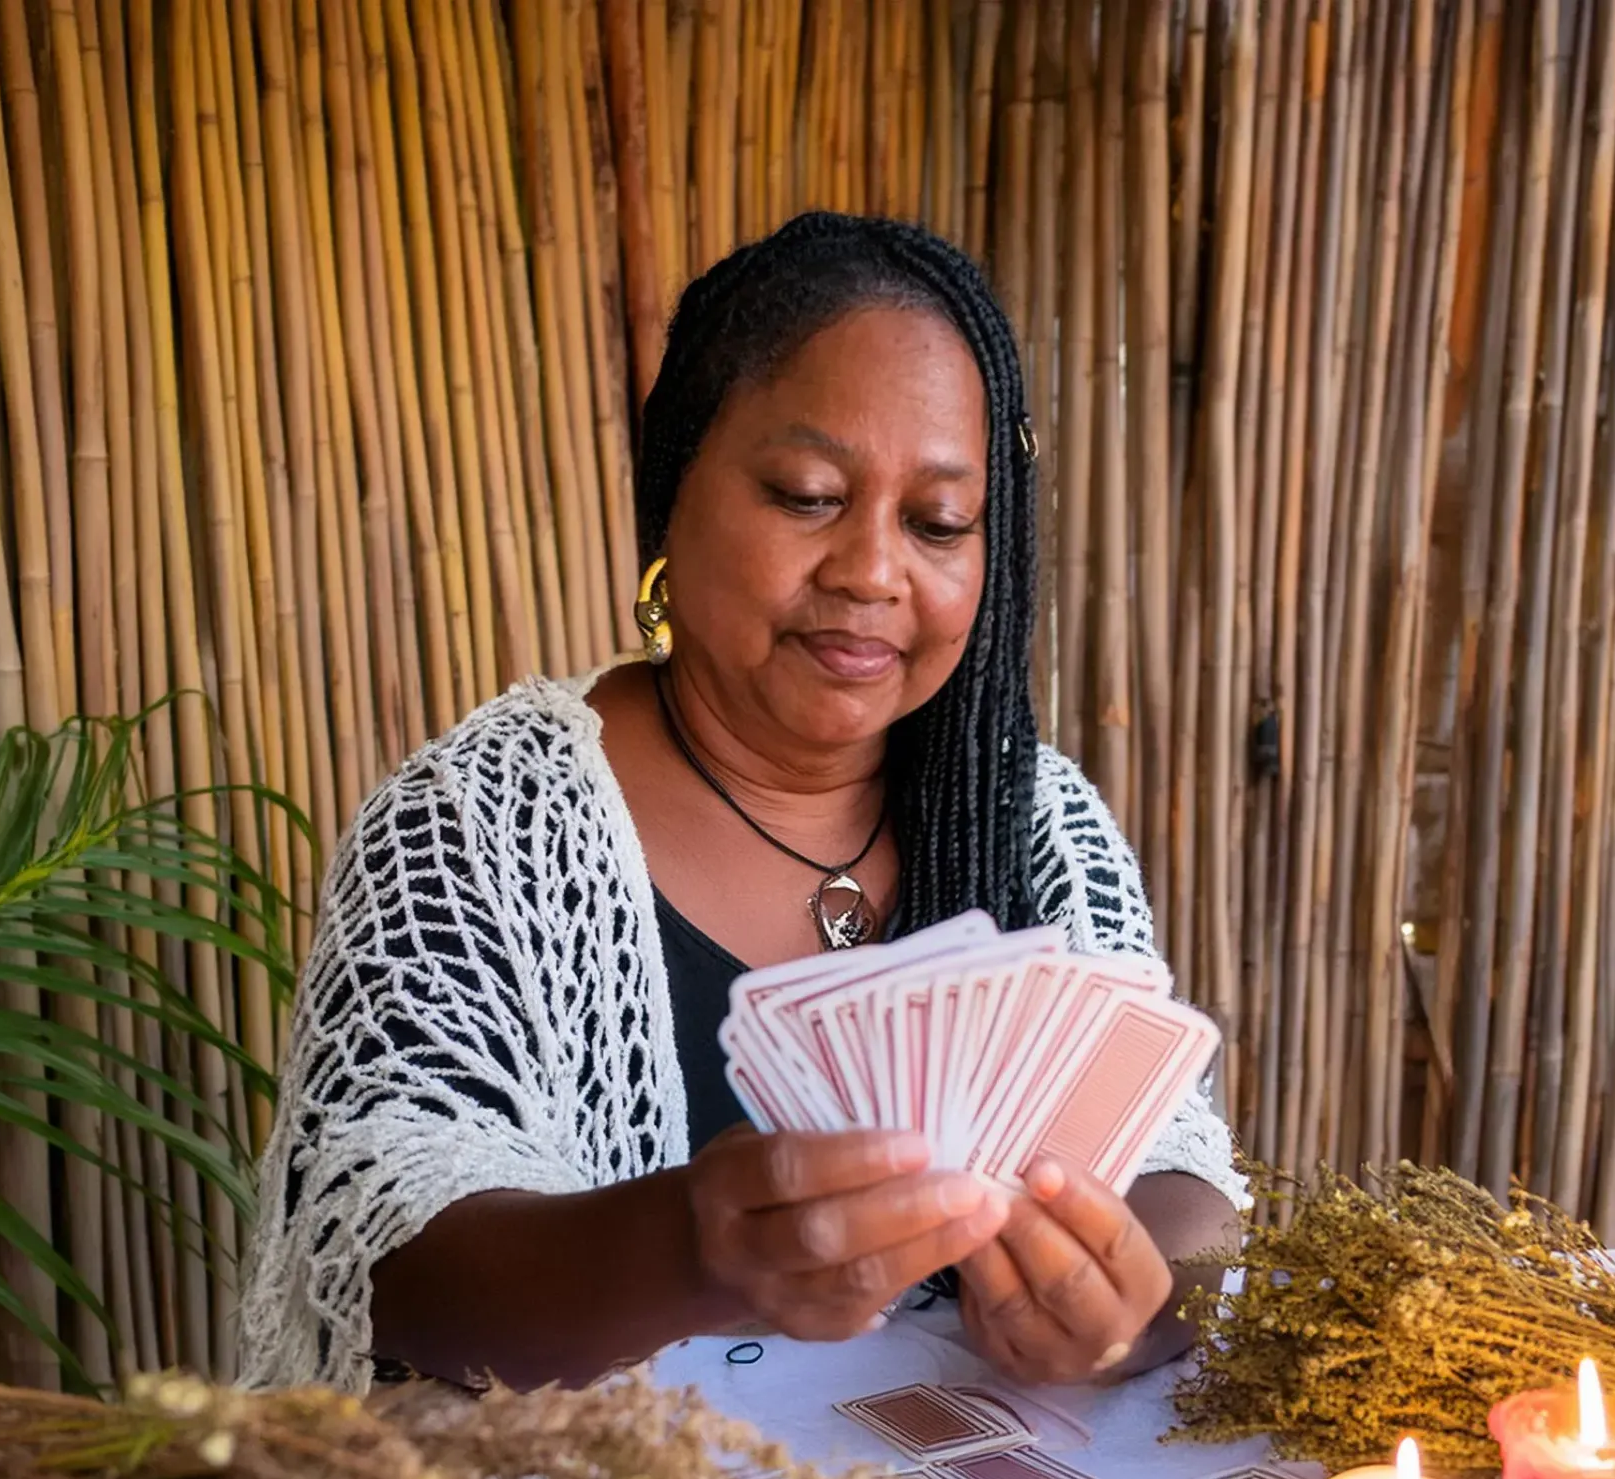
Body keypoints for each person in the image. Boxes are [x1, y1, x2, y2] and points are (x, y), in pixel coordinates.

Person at [237, 212, 1248, 1398]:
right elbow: (384, 1254)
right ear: (674, 497)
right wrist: (691, 1250)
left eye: (938, 524)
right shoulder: (474, 825)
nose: (872, 571)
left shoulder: (1037, 821)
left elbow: (1177, 1165)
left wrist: (1137, 1295)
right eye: (808, 494)